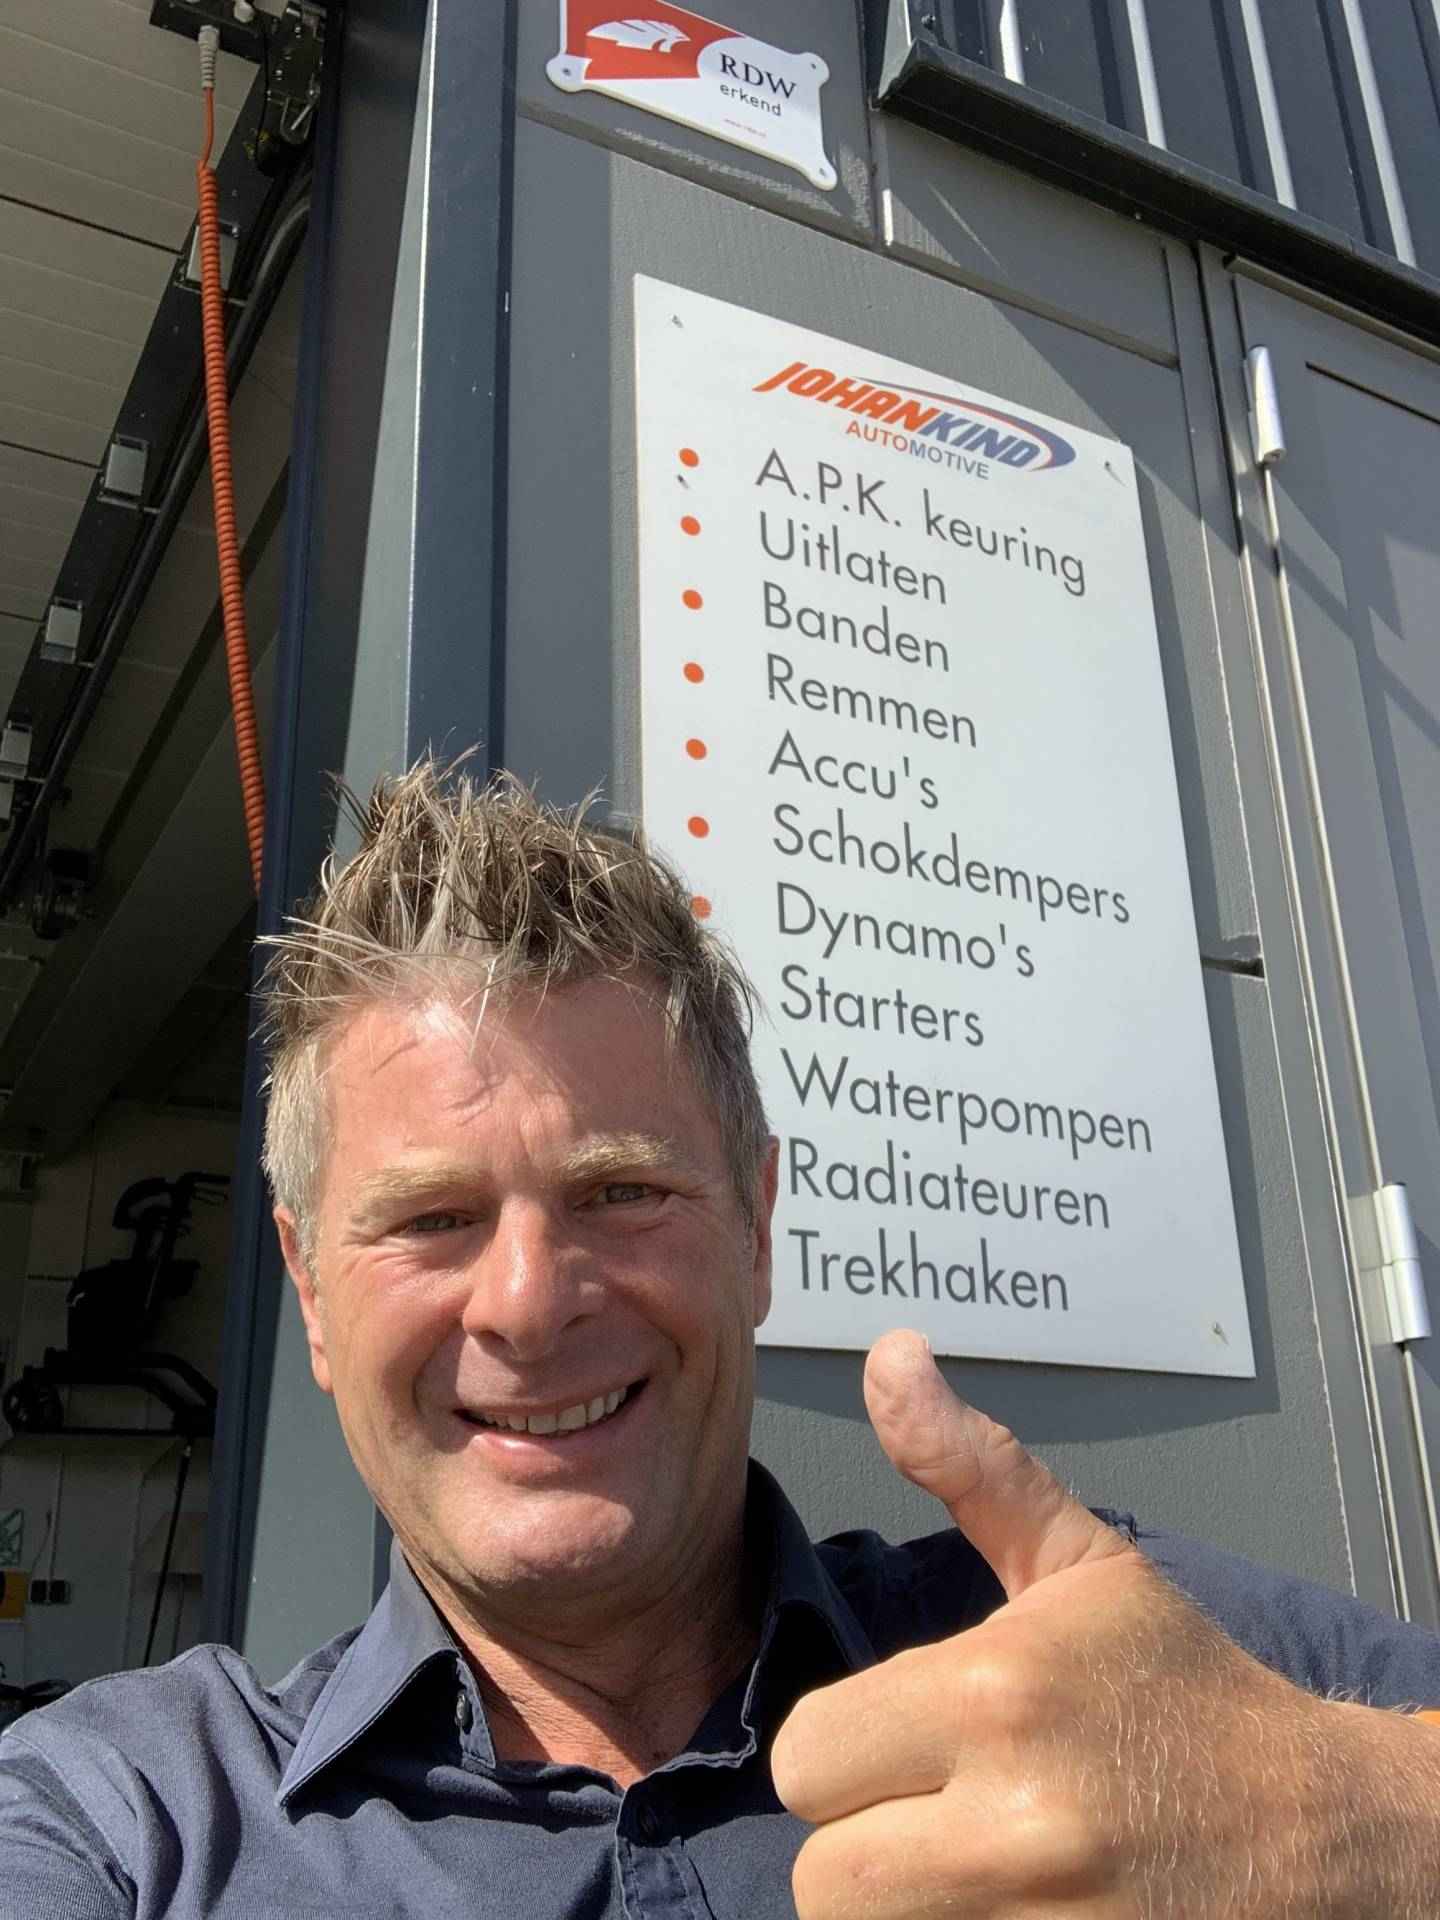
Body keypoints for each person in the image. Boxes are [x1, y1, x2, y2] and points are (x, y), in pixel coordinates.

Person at [3, 758, 1440, 1919]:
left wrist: (1352, 1821)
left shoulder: (1108, 1654)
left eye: (621, 1192)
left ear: (756, 1230)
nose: (528, 1302)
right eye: (433, 1219)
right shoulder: (119, 1820)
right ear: (311, 1294)